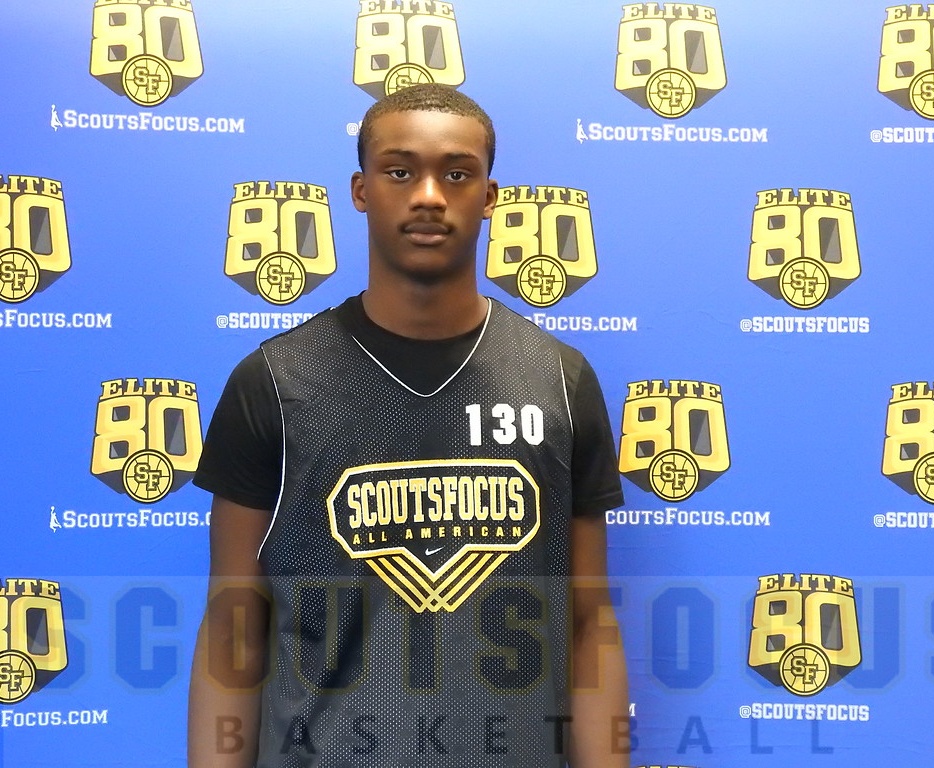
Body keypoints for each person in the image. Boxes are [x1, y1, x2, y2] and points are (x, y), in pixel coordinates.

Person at [188, 83, 628, 768]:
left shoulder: (559, 382)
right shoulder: (273, 382)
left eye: (457, 174)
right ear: (361, 191)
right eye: (400, 171)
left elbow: (589, 626)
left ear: (489, 197)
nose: (428, 195)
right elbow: (232, 634)